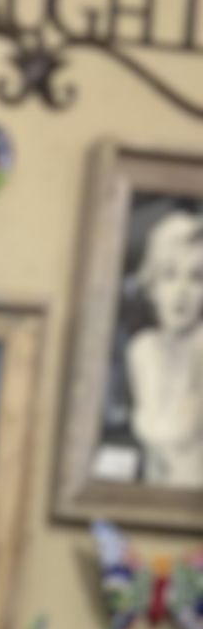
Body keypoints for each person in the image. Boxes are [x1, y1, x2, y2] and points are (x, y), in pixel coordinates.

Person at [125, 205, 203, 488]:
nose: (181, 291)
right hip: (148, 504)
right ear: (153, 285)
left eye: (196, 277)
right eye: (170, 275)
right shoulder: (141, 350)